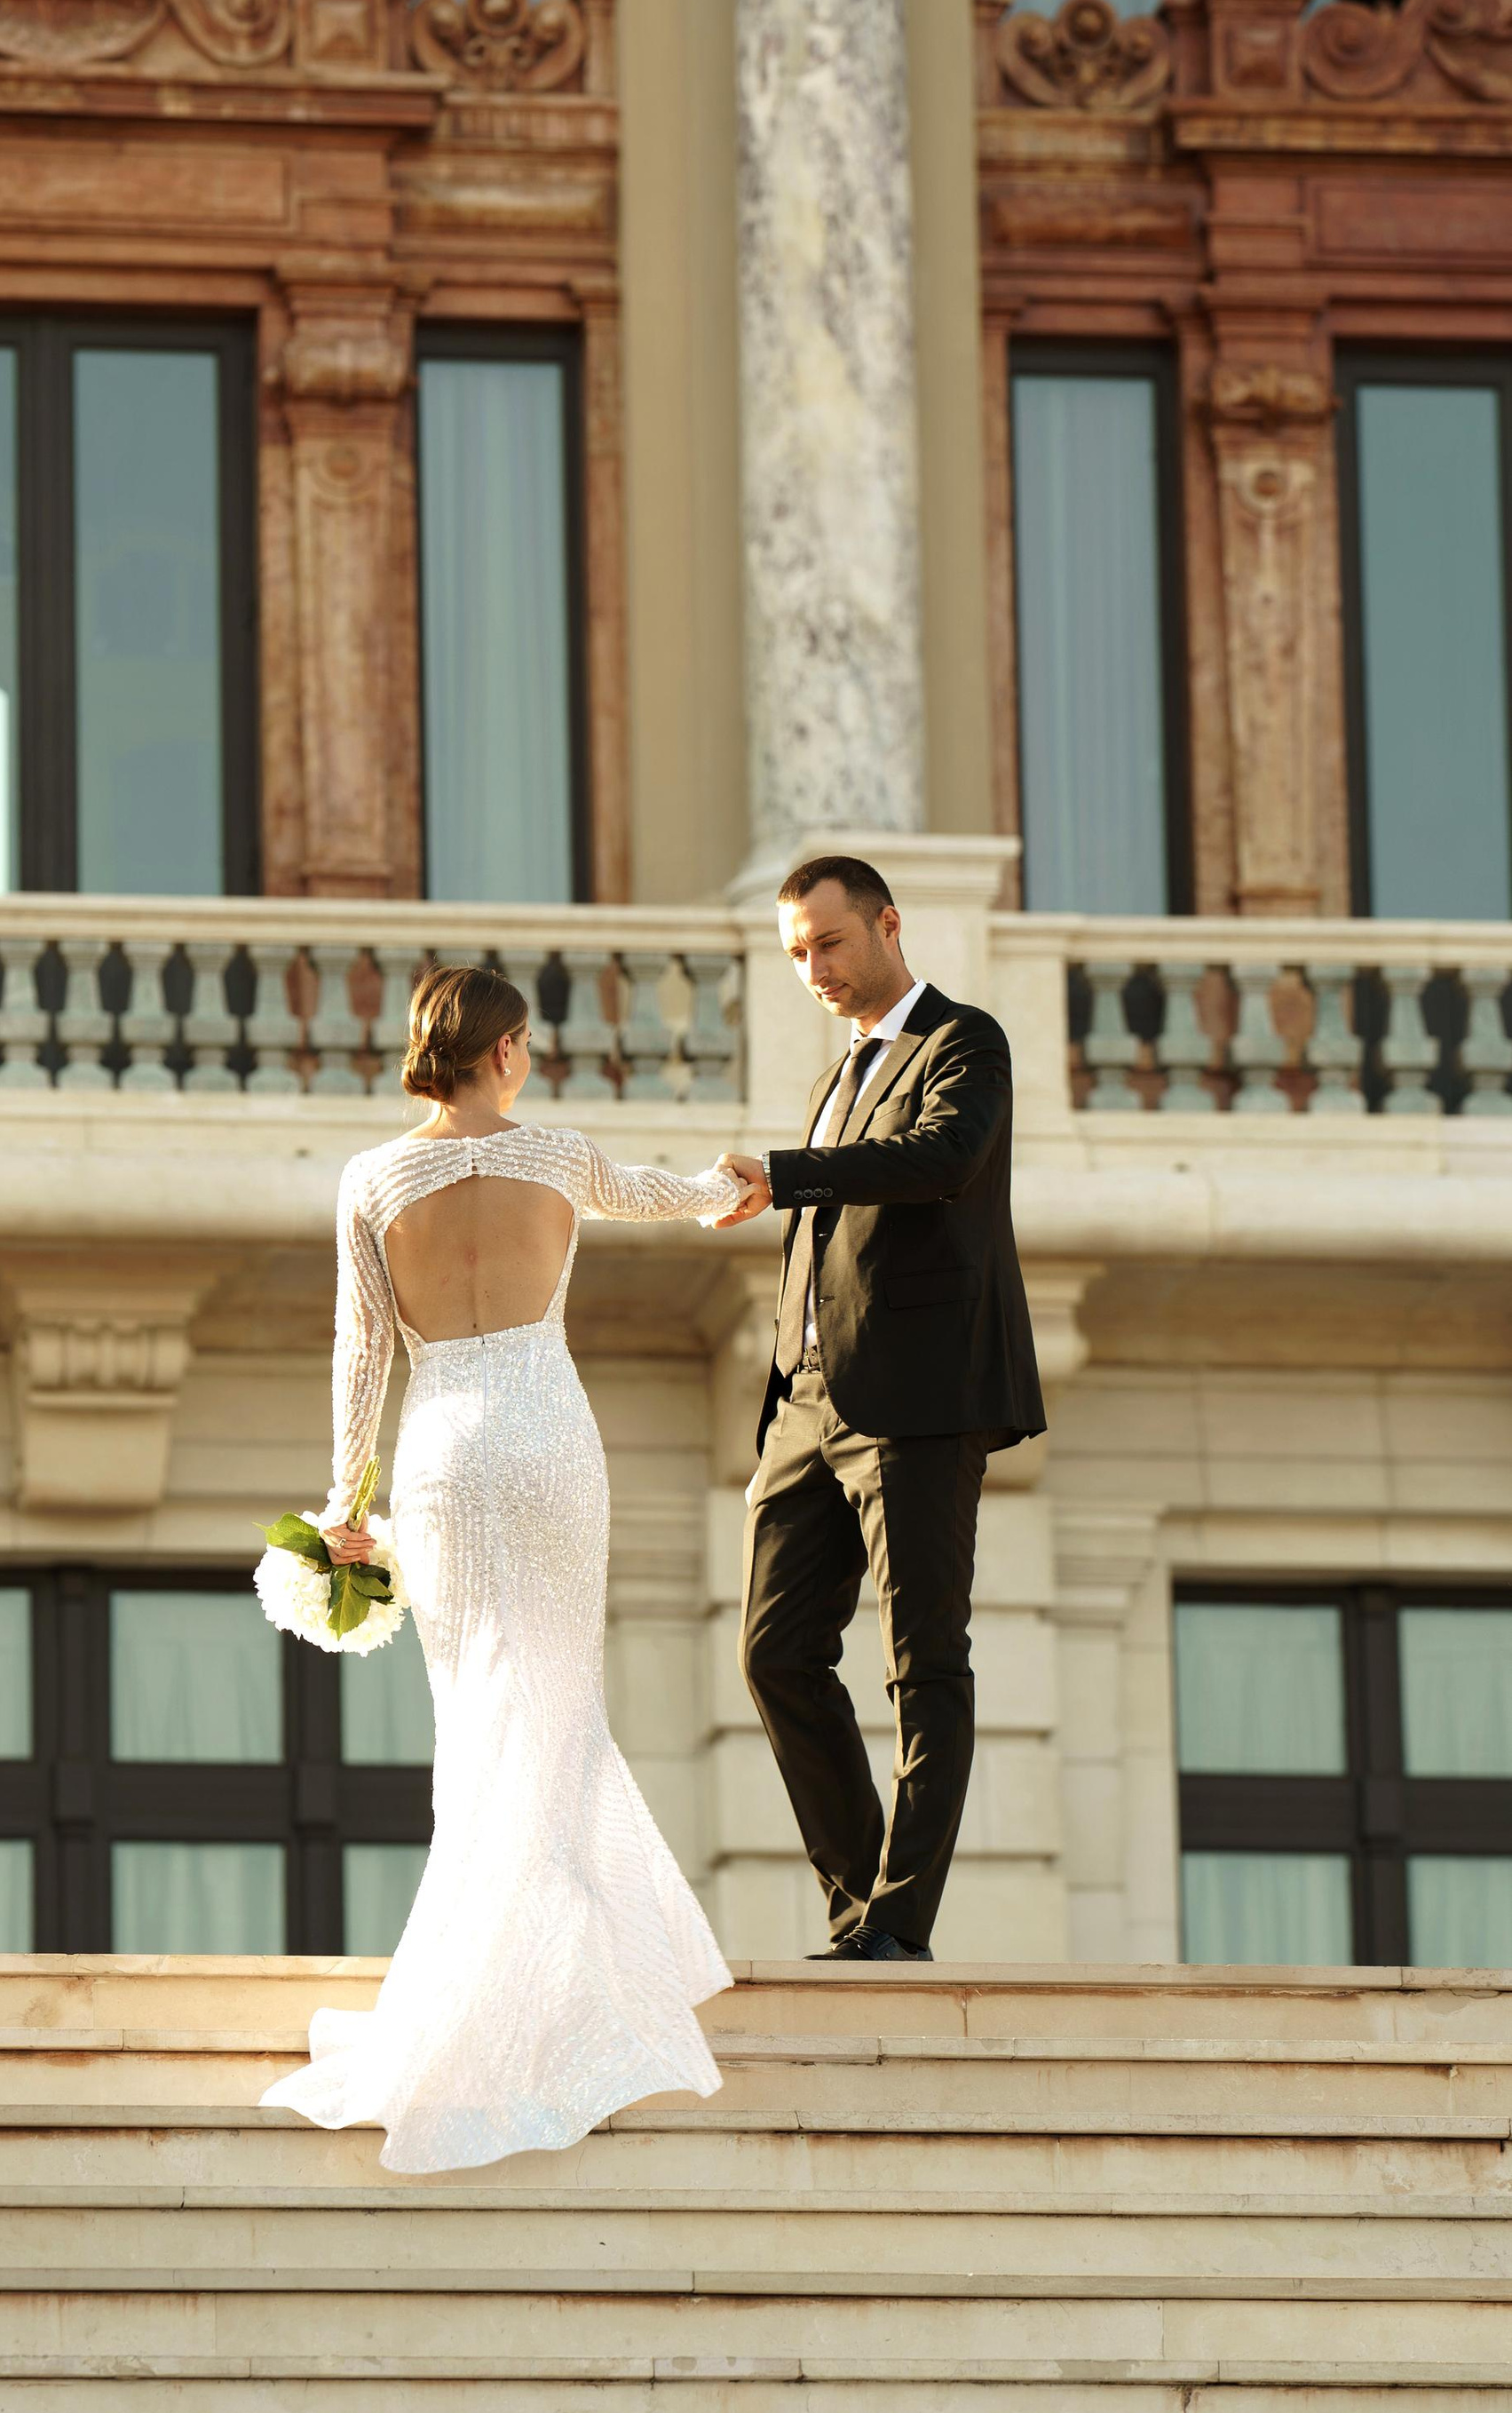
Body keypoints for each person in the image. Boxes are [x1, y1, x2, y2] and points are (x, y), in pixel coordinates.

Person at [261, 963, 749, 2174]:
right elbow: (667, 1193)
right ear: (510, 1049)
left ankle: (486, 1989)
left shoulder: (372, 1179)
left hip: (442, 1455)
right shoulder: (562, 1156)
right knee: (558, 1711)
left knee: (475, 1720)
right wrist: (731, 1185)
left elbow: (360, 1355)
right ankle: (553, 1994)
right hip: (544, 1441)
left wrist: (345, 1505)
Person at [717, 855, 1045, 1964]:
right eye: (795, 952)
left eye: (827, 942)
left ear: (886, 924)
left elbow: (940, 1161)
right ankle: (860, 1901)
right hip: (806, 1404)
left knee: (922, 1663)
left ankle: (897, 1923)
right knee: (771, 1655)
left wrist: (786, 1171)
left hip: (915, 1401)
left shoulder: (965, 1041)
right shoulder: (835, 1074)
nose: (812, 967)